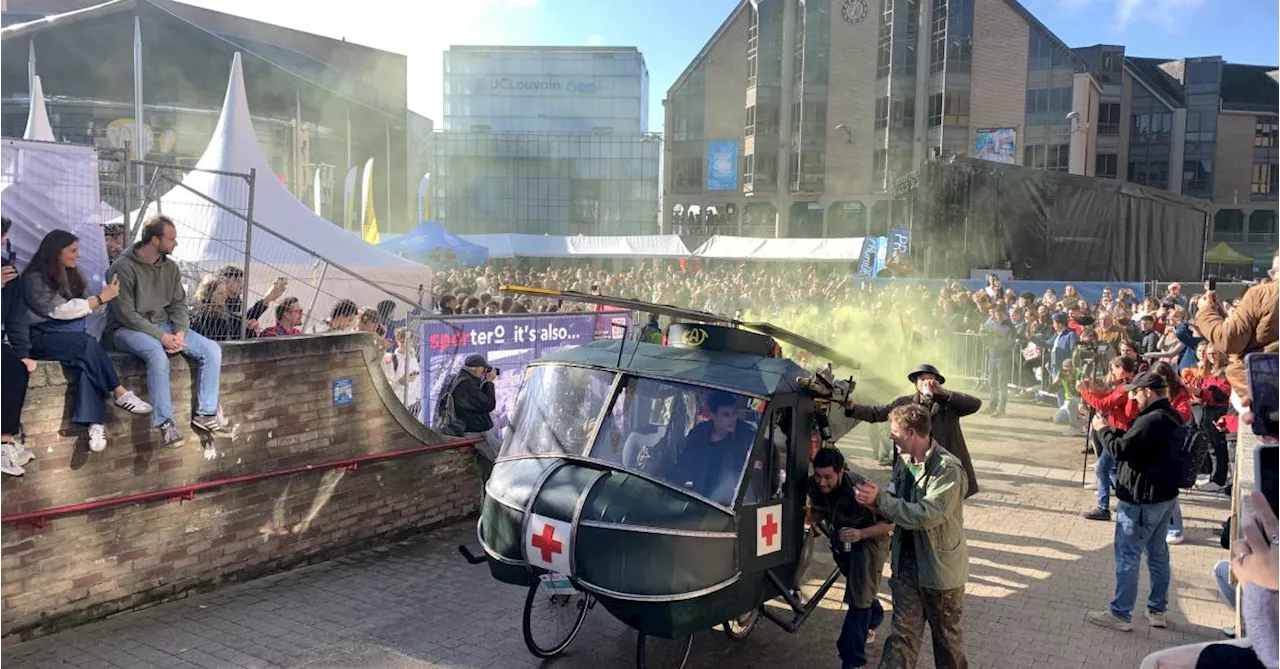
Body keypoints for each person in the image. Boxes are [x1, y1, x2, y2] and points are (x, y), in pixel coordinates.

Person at [854, 403, 969, 669]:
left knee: (947, 644)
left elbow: (928, 514)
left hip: (939, 574)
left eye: (895, 432)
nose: (891, 437)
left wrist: (882, 500)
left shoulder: (948, 469)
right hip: (906, 569)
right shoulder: (904, 461)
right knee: (901, 637)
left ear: (913, 434)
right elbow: (894, 501)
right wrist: (873, 502)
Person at [22, 230, 151, 452]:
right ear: (56, 252)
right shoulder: (34, 278)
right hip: (41, 338)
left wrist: (101, 299)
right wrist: (100, 299)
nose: (77, 255)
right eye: (72, 251)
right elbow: (58, 311)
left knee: (87, 363)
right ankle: (119, 391)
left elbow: (87, 306)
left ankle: (95, 424)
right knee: (87, 344)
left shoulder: (74, 274)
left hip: (72, 337)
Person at [106, 215, 226, 448]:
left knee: (211, 349)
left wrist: (180, 332)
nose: (175, 243)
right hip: (125, 330)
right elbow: (126, 314)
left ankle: (206, 414)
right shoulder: (121, 268)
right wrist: (162, 337)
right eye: (171, 239)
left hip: (166, 327)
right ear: (154, 240)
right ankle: (165, 422)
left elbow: (178, 304)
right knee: (156, 353)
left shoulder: (170, 267)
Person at [1086, 371, 1184, 633]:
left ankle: (1120, 613)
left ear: (1149, 392)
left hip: (1142, 500)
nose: (1132, 396)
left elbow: (1121, 450)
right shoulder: (1170, 415)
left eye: (1136, 392)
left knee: (1128, 556)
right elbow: (1136, 445)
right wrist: (1114, 431)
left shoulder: (1153, 419)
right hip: (1163, 498)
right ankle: (1157, 610)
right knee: (1157, 555)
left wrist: (1102, 430)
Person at [808, 447, 893, 669]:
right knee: (861, 592)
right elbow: (822, 508)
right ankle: (874, 616)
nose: (822, 482)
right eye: (818, 476)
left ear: (841, 471)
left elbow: (890, 523)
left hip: (869, 542)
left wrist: (861, 534)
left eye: (828, 477)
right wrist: (810, 516)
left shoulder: (861, 489)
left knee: (858, 602)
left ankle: (852, 659)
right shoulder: (814, 485)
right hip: (843, 541)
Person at [845, 363, 982, 498]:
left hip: (940, 465)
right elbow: (878, 413)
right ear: (916, 383)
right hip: (913, 464)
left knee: (941, 505)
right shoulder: (904, 403)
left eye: (931, 379)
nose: (926, 383)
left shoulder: (948, 404)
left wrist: (943, 392)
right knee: (911, 500)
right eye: (922, 379)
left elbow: (975, 404)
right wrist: (853, 408)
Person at [0, 215, 35, 476]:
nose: (3, 241)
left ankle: (4, 443)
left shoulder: (7, 270)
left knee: (15, 369)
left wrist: (23, 352)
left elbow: (16, 317)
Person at [446, 354, 499, 468]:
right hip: (475, 430)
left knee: (486, 464)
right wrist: (489, 382)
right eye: (483, 368)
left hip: (470, 426)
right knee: (500, 459)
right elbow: (488, 404)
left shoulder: (463, 379)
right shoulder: (466, 385)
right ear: (476, 369)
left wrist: (484, 383)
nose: (484, 371)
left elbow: (479, 401)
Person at [979, 306, 1016, 417]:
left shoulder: (1009, 326)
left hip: (1003, 357)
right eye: (996, 314)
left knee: (1001, 384)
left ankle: (1001, 409)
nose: (998, 316)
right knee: (992, 383)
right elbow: (985, 338)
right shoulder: (992, 324)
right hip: (992, 356)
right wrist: (983, 332)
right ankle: (992, 406)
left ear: (1005, 314)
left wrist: (990, 328)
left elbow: (1004, 336)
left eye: (1001, 314)